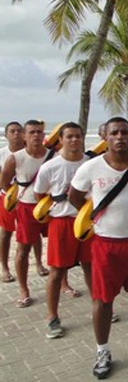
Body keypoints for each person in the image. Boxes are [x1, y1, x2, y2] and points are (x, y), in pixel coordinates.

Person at [69, 117, 128, 379]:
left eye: (125, 132)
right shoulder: (90, 168)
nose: (120, 137)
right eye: (114, 133)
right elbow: (75, 197)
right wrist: (96, 218)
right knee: (102, 300)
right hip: (106, 244)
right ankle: (103, 351)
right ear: (105, 137)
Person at [33, 122, 92, 338]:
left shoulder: (91, 163)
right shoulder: (50, 167)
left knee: (91, 267)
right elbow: (40, 196)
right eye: (69, 137)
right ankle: (52, 317)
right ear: (61, 140)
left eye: (78, 136)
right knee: (57, 272)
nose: (74, 140)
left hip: (86, 222)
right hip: (61, 223)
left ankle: (100, 308)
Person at [1, 120, 53, 307]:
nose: (36, 135)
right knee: (23, 250)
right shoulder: (15, 158)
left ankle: (63, 283)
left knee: (57, 248)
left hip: (50, 207)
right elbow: (5, 183)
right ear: (24, 135)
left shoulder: (53, 155)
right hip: (27, 207)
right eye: (31, 132)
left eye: (39, 132)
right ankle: (24, 290)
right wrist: (15, 200)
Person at [0, 122, 24, 283]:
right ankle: (4, 267)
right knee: (5, 233)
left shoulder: (29, 152)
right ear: (6, 135)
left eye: (18, 131)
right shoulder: (2, 153)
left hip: (26, 198)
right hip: (7, 196)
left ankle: (38, 264)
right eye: (12, 131)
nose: (16, 134)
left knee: (32, 234)